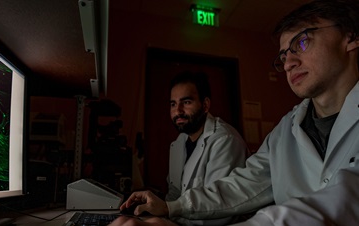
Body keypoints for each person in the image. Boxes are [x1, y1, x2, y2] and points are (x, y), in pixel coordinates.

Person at [111, 0, 359, 225]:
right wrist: (171, 207)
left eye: (302, 42)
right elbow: (242, 186)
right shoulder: (286, 131)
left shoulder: (226, 138)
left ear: (350, 36)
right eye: (283, 56)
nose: (288, 63)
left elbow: (343, 200)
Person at [164, 71, 247, 225]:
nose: (178, 111)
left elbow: (219, 209)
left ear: (205, 105)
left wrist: (168, 221)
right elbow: (174, 193)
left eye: (186, 102)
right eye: (173, 104)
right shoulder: (179, 143)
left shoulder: (225, 140)